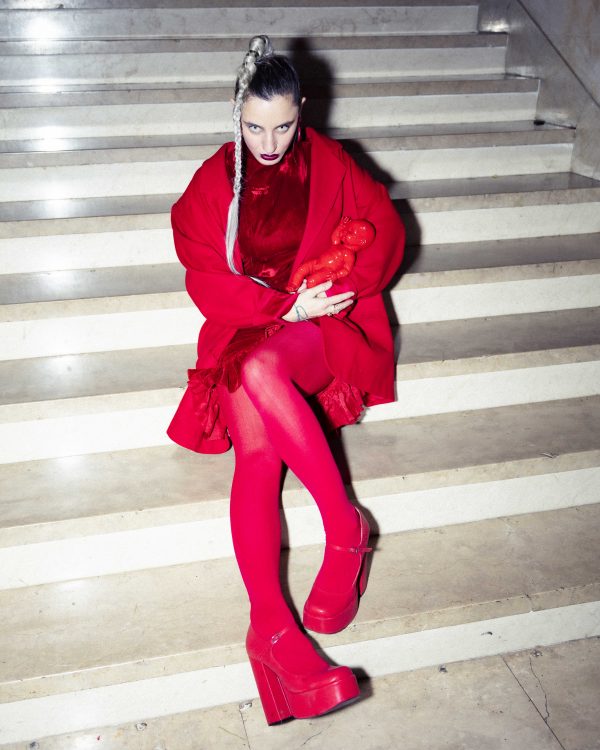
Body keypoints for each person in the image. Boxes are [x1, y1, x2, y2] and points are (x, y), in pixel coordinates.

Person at [167, 35, 405, 724]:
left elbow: (387, 231)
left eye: (283, 126)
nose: (269, 143)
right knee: (255, 446)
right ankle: (271, 628)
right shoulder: (215, 180)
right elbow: (202, 273)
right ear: (235, 116)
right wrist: (277, 306)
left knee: (263, 368)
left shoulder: (330, 163)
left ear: (302, 111)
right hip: (252, 323)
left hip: (318, 331)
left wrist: (335, 288)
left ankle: (343, 524)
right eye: (254, 127)